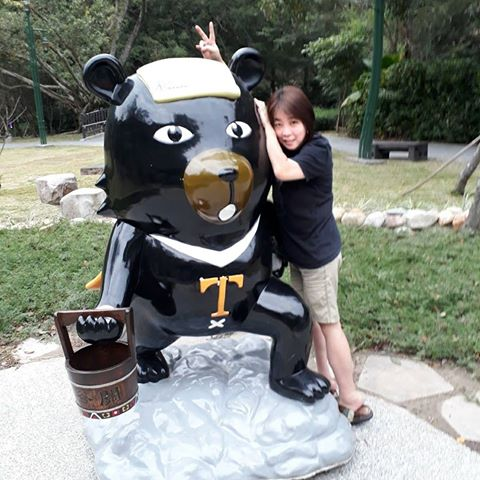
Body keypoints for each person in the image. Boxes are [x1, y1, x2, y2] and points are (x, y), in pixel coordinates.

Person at [195, 23, 372, 425]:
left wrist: (268, 125)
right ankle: (325, 377)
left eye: (293, 123)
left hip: (319, 256)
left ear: (307, 121)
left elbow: (283, 171)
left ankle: (353, 398)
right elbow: (246, 99)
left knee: (330, 324)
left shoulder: (317, 150)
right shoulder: (286, 143)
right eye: (278, 124)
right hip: (299, 254)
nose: (286, 131)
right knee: (310, 321)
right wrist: (219, 61)